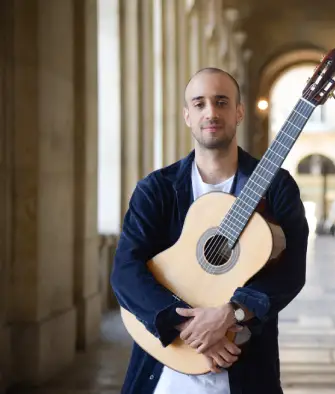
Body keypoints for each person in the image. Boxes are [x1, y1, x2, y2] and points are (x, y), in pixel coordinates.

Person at [110, 67, 309, 394]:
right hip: (162, 368)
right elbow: (125, 271)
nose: (211, 112)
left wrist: (232, 314)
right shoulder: (157, 189)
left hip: (245, 367)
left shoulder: (276, 187)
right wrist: (191, 326)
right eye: (199, 104)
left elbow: (291, 271)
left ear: (239, 112)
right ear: (187, 115)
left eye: (221, 102)